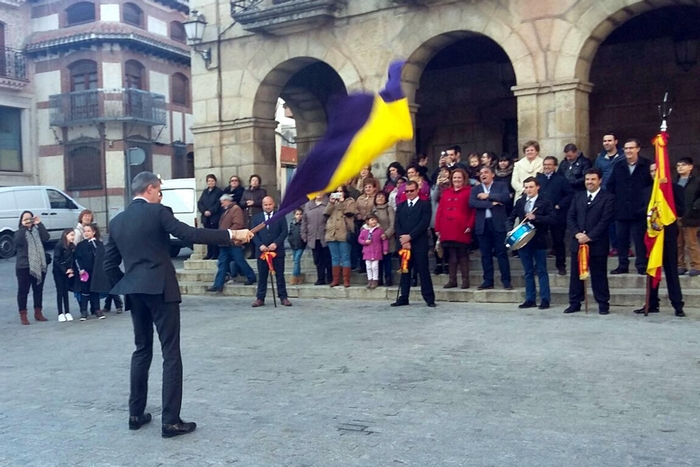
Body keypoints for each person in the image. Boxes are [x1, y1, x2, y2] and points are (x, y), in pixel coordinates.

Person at [104, 171, 253, 438]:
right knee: (171, 354)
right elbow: (192, 234)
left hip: (135, 292)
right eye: (159, 191)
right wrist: (233, 234)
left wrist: (129, 284)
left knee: (141, 350)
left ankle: (135, 414)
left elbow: (109, 265)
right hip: (161, 288)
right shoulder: (158, 212)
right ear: (150, 189)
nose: (160, 195)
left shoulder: (117, 222)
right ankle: (170, 421)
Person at [633, 163, 685, 317]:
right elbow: (639, 211)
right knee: (651, 270)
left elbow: (681, 210)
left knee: (671, 271)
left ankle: (677, 305)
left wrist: (664, 204)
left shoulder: (675, 189)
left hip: (668, 236)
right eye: (651, 171)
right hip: (651, 235)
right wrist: (653, 207)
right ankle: (651, 303)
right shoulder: (646, 191)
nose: (654, 173)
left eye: (657, 170)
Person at [565, 168, 615, 315]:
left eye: (593, 179)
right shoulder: (578, 196)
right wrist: (577, 234)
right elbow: (570, 217)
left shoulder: (608, 198)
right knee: (576, 275)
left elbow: (605, 220)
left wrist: (590, 236)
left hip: (597, 243)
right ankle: (575, 302)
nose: (589, 182)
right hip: (578, 242)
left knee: (599, 275)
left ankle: (603, 303)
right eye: (587, 179)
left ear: (599, 180)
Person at [507, 177, 556, 309]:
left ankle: (545, 299)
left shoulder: (545, 201)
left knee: (541, 270)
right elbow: (510, 218)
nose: (528, 190)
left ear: (537, 187)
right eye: (526, 187)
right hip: (524, 241)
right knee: (528, 271)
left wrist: (536, 218)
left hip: (539, 239)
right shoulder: (520, 202)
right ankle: (530, 299)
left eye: (531, 187)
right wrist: (509, 231)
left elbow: (552, 219)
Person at [607, 138, 653, 275]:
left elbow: (651, 187)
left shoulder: (647, 165)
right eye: (626, 148)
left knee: (640, 241)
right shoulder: (618, 166)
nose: (628, 151)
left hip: (640, 211)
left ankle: (641, 265)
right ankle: (622, 265)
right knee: (622, 240)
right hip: (621, 210)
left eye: (631, 148)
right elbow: (610, 186)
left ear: (638, 149)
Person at [391, 180, 436, 307]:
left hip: (419, 243)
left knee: (423, 270)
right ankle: (403, 297)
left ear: (417, 191)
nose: (409, 193)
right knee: (405, 270)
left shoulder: (425, 204)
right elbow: (397, 224)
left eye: (411, 190)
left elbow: (424, 223)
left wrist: (410, 237)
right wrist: (403, 239)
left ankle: (429, 298)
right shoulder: (401, 206)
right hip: (404, 244)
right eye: (407, 191)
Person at [469, 166, 512, 290]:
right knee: (485, 254)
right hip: (483, 225)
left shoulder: (501, 185)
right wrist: (491, 203)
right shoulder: (476, 189)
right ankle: (488, 281)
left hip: (498, 224)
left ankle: (506, 281)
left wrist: (487, 195)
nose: (483, 175)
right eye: (481, 173)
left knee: (501, 253)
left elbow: (505, 198)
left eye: (486, 172)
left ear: (492, 174)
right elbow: (472, 203)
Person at [434, 168, 476, 289]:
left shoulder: (469, 191)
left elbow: (473, 211)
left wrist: (470, 225)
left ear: (464, 179)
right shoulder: (446, 192)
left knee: (462, 254)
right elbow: (440, 211)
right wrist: (438, 227)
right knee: (451, 254)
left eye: (459, 178)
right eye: (455, 178)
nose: (457, 180)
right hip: (447, 227)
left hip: (462, 228)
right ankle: (452, 280)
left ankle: (465, 280)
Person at [207, 194, 256, 292]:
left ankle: (251, 276)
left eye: (222, 202)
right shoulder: (228, 210)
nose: (221, 205)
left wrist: (227, 233)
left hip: (233, 241)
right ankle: (218, 284)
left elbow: (238, 224)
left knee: (239, 260)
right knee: (222, 263)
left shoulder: (235, 209)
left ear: (227, 201)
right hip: (225, 242)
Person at [251, 196, 291, 307]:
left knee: (280, 276)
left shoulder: (280, 216)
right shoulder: (257, 218)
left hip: (277, 251)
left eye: (269, 204)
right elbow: (253, 233)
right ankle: (260, 298)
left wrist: (276, 243)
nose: (268, 207)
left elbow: (284, 232)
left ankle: (283, 297)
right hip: (262, 252)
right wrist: (260, 245)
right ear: (262, 205)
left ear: (273, 204)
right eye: (265, 204)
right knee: (262, 276)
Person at [536, 156, 573, 275]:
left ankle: (561, 266)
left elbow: (569, 195)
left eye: (549, 165)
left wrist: (559, 205)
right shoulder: (539, 179)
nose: (547, 167)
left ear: (555, 166)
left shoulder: (561, 179)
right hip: (541, 215)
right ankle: (539, 266)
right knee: (540, 241)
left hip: (557, 215)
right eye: (545, 164)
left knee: (558, 240)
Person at [15, 210, 50, 325]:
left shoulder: (37, 230)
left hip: (39, 264)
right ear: (21, 221)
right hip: (24, 266)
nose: (28, 220)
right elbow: (18, 241)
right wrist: (23, 227)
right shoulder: (19, 232)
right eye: (25, 219)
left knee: (38, 290)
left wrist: (39, 224)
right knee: (23, 291)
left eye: (30, 218)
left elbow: (46, 237)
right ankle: (23, 315)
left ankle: (38, 312)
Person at [594, 132, 624, 256]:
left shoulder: (623, 156)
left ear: (616, 142)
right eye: (605, 141)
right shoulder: (600, 159)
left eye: (609, 140)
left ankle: (624, 247)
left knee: (621, 222)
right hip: (605, 193)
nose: (607, 143)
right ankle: (614, 247)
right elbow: (596, 174)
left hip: (621, 193)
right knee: (609, 222)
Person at [75, 223, 111, 320]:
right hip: (85, 272)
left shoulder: (98, 244)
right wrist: (80, 269)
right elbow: (77, 258)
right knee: (85, 291)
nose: (86, 233)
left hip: (96, 271)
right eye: (85, 231)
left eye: (88, 231)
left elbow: (101, 256)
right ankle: (84, 311)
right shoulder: (80, 245)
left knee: (95, 290)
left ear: (94, 232)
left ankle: (97, 310)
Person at [324, 186, 357, 287]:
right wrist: (331, 203)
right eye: (337, 192)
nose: (339, 193)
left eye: (341, 191)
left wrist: (342, 202)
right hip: (332, 232)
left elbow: (349, 213)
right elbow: (325, 213)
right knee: (335, 257)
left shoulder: (350, 201)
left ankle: (346, 280)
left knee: (345, 257)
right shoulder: (332, 202)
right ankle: (335, 280)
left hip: (344, 232)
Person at [675, 157, 700, 276]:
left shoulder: (697, 181)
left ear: (690, 167)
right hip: (677, 216)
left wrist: (695, 207)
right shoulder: (674, 182)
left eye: (683, 165)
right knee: (679, 243)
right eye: (678, 165)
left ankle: (696, 265)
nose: (680, 167)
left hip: (691, 216)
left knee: (692, 242)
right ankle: (680, 265)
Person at [302, 194, 332, 285]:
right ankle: (321, 278)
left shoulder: (329, 203)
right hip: (313, 237)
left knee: (328, 259)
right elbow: (304, 221)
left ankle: (330, 278)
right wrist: (304, 235)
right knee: (318, 260)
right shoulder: (308, 205)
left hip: (326, 236)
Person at [354, 177, 378, 273]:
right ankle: (362, 266)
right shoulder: (360, 198)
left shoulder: (376, 197)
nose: (368, 189)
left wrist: (368, 217)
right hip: (361, 225)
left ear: (374, 188)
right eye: (366, 187)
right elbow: (355, 208)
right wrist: (358, 214)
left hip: (372, 224)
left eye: (370, 187)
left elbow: (376, 210)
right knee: (361, 245)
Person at [240, 174, 268, 258]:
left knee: (257, 233)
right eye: (253, 180)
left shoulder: (262, 191)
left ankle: (257, 252)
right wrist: (246, 203)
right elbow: (241, 202)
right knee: (249, 234)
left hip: (257, 214)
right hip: (247, 216)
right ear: (250, 182)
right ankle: (251, 252)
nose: (254, 182)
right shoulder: (246, 192)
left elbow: (264, 201)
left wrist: (254, 202)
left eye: (256, 180)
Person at [197, 174, 224, 260]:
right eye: (209, 181)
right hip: (206, 218)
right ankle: (209, 253)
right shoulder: (205, 192)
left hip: (214, 217)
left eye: (212, 181)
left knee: (215, 236)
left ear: (215, 182)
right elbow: (200, 203)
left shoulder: (219, 191)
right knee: (207, 237)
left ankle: (216, 254)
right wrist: (204, 211)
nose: (210, 182)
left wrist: (210, 211)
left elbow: (218, 204)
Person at [358, 214, 388, 289]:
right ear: (367, 221)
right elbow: (360, 239)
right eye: (372, 220)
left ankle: (375, 280)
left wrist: (385, 249)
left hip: (376, 251)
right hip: (367, 251)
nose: (374, 221)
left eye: (375, 219)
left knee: (375, 266)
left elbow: (384, 240)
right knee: (368, 266)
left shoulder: (379, 230)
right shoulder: (364, 230)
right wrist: (365, 241)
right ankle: (369, 280)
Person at [53, 228, 77, 322]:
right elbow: (56, 259)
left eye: (73, 235)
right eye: (71, 235)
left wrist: (71, 270)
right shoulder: (59, 245)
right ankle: (60, 313)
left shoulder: (72, 246)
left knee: (66, 291)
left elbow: (72, 259)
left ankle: (67, 311)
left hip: (68, 271)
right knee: (60, 291)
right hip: (58, 272)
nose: (73, 237)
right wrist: (64, 270)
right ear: (65, 235)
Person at [372, 191, 396, 286]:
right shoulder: (373, 210)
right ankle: (378, 278)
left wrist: (386, 234)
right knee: (378, 260)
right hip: (376, 240)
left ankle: (388, 278)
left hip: (387, 238)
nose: (380, 199)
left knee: (387, 260)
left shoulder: (389, 209)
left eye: (382, 197)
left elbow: (392, 223)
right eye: (378, 197)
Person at [288, 208, 307, 285]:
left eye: (300, 214)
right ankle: (298, 277)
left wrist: (304, 242)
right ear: (294, 215)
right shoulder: (292, 224)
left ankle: (294, 277)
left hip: (301, 245)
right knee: (296, 261)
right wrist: (290, 241)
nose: (299, 216)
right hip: (294, 245)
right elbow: (290, 234)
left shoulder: (303, 224)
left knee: (296, 261)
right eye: (297, 214)